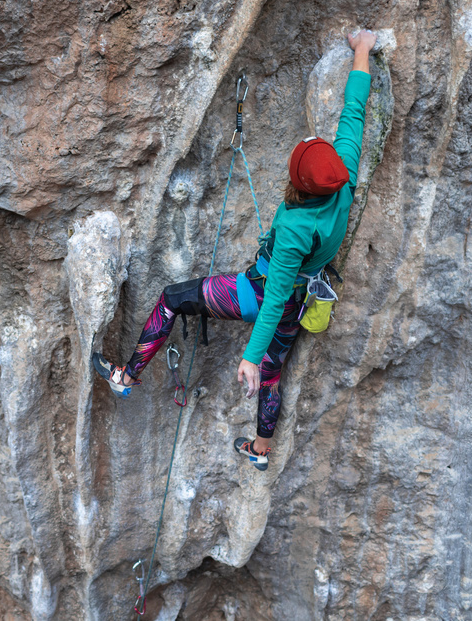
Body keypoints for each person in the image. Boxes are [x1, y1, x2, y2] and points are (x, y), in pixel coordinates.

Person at [93, 29, 377, 471]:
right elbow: (354, 114)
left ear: (298, 184)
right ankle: (261, 451)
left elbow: (274, 294)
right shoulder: (343, 178)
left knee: (172, 299)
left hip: (261, 293)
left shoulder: (297, 229)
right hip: (302, 300)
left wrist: (248, 355)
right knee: (273, 372)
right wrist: (362, 49)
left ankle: (127, 376)